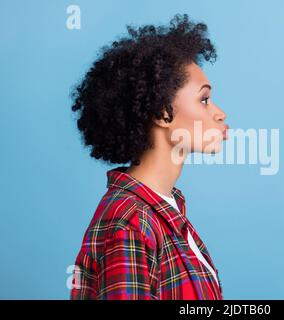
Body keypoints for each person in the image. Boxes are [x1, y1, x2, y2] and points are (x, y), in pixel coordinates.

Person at [69, 13, 228, 300]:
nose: (219, 113)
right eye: (204, 100)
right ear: (161, 113)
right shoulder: (131, 221)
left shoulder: (166, 211)